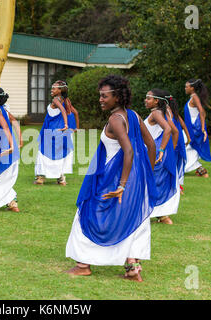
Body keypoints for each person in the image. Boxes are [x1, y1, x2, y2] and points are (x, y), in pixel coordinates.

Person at [65, 75, 157, 282]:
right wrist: (144, 175)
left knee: (87, 215)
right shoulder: (133, 115)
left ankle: (83, 265)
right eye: (100, 96)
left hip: (116, 180)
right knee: (131, 221)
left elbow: (129, 151)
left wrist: (122, 185)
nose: (101, 99)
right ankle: (133, 269)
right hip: (135, 179)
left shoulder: (116, 119)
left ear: (117, 97)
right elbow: (151, 145)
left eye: (105, 96)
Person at [143, 89, 179, 225]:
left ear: (156, 101)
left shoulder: (156, 113)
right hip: (157, 152)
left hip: (154, 153)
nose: (146, 100)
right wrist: (171, 150)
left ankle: (159, 214)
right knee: (157, 181)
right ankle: (163, 216)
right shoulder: (161, 113)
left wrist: (162, 149)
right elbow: (175, 131)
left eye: (148, 98)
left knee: (151, 181)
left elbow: (169, 130)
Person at [34, 80, 71, 186]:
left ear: (60, 90)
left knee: (43, 153)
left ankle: (40, 177)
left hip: (52, 129)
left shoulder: (55, 100)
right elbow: (70, 111)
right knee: (58, 154)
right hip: (58, 130)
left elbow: (64, 111)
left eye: (54, 88)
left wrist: (65, 124)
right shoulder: (65, 100)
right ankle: (60, 178)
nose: (51, 90)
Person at [184, 79, 211, 177]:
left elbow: (201, 111)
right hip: (190, 127)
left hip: (193, 128)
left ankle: (200, 170)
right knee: (187, 147)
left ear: (192, 88)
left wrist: (203, 128)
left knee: (186, 147)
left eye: (187, 86)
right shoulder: (193, 97)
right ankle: (200, 170)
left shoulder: (194, 97)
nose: (185, 88)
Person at [164, 93, 191, 195]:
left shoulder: (166, 113)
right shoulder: (175, 113)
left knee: (171, 163)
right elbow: (183, 125)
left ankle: (175, 186)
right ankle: (176, 185)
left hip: (173, 141)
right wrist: (188, 138)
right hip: (179, 141)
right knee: (175, 163)